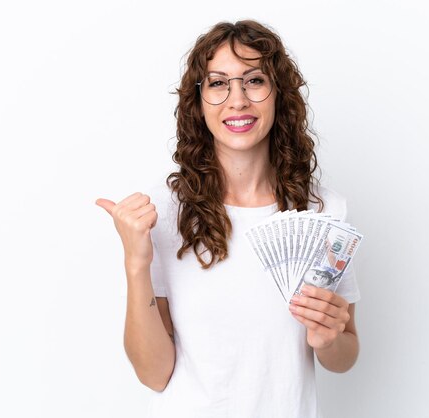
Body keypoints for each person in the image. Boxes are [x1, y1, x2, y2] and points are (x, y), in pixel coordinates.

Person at [96, 19, 360, 418]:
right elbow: (154, 374)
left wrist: (328, 338)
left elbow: (343, 358)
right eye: (218, 83)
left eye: (254, 80)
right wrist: (136, 263)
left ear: (278, 96)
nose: (237, 100)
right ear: (198, 102)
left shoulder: (324, 212)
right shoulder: (163, 212)